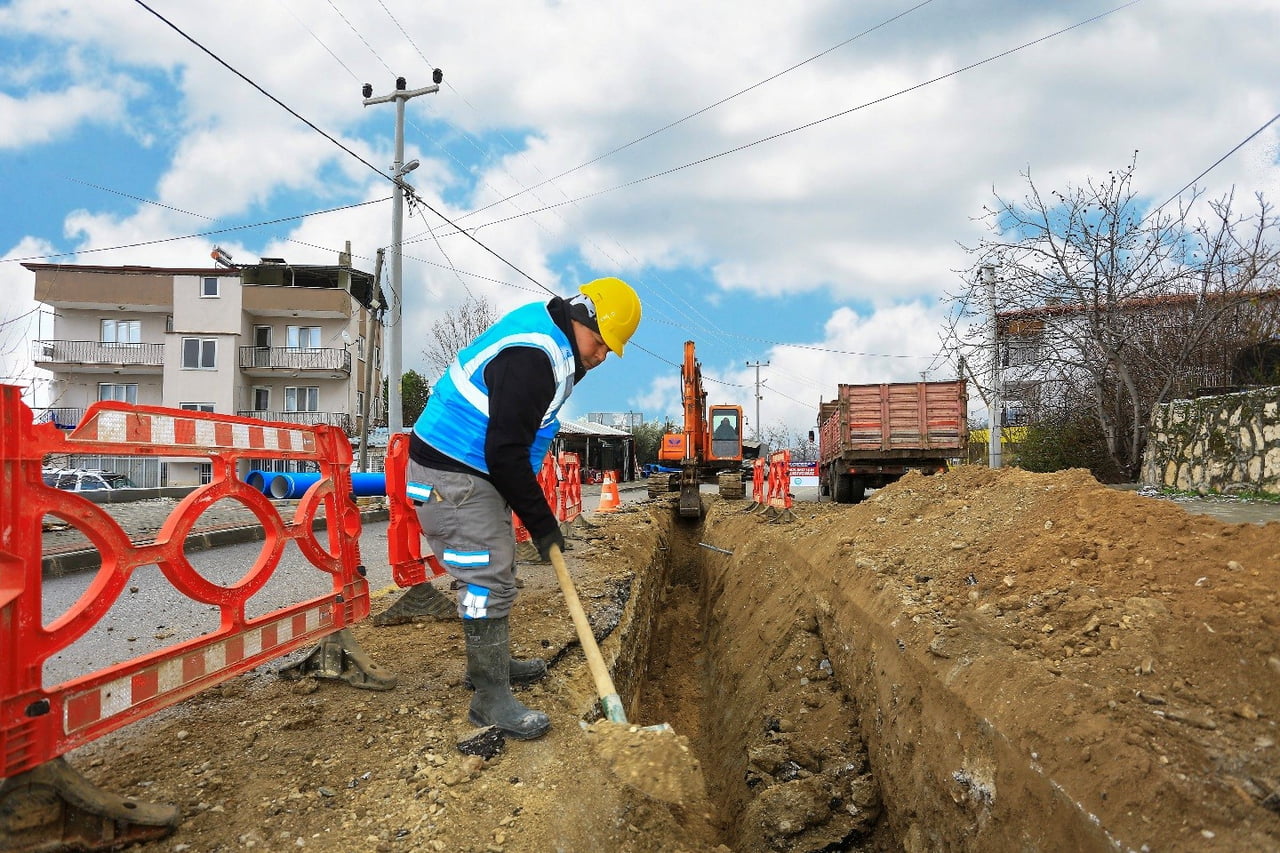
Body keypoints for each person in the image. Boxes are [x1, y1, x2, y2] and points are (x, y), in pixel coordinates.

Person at [376, 277, 641, 740]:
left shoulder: (554, 343)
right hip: (452, 472)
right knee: (485, 575)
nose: (601, 356)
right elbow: (505, 451)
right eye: (600, 343)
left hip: (474, 470)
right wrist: (542, 523)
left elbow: (516, 440)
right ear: (582, 319)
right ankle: (489, 698)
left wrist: (533, 513)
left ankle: (491, 665)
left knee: (493, 568)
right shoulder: (534, 359)